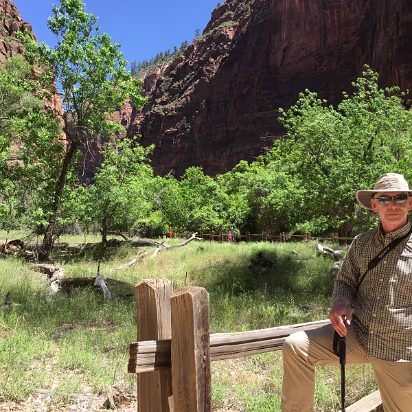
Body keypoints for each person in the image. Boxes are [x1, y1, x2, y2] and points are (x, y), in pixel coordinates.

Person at [281, 173, 412, 412]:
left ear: (410, 203)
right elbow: (346, 281)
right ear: (374, 205)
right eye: (384, 199)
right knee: (295, 345)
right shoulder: (362, 243)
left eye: (400, 197)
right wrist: (340, 302)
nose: (393, 204)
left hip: (399, 349)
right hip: (358, 335)